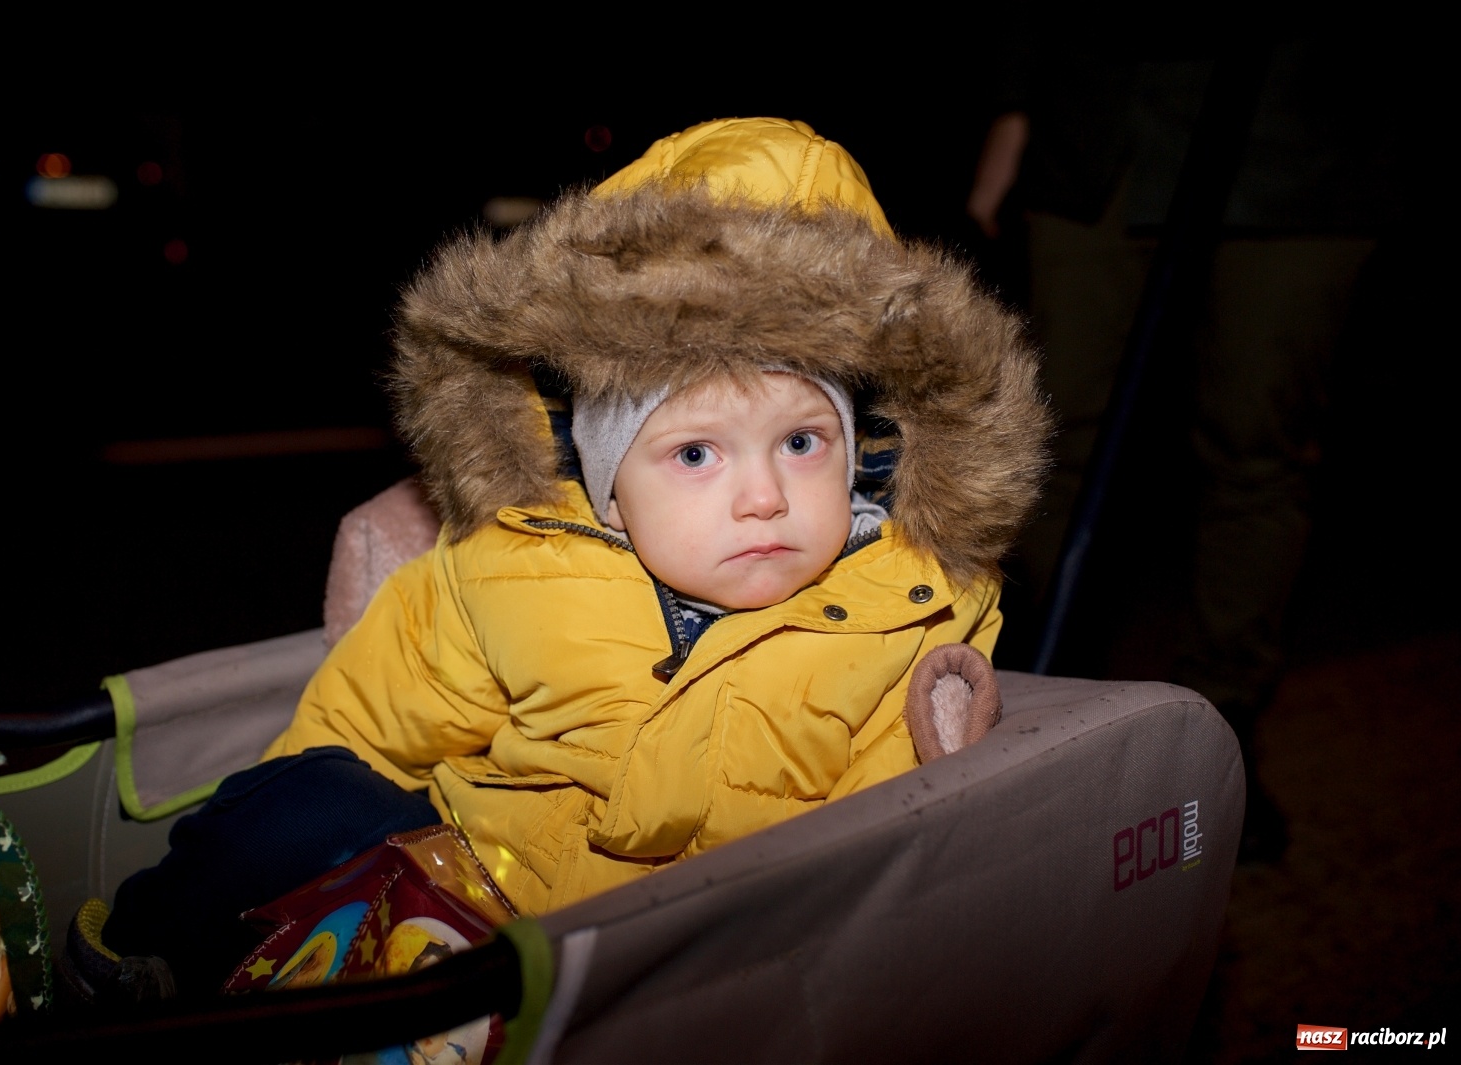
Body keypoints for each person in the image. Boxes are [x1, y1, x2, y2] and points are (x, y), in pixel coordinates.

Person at [97, 117, 1050, 995]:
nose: (763, 494)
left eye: (802, 442)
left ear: (860, 454)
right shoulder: (514, 565)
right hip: (466, 897)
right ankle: (126, 958)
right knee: (312, 794)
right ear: (609, 490)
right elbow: (369, 716)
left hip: (692, 965)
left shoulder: (902, 608)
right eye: (695, 454)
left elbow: (886, 851)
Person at [965, 36, 1406, 861]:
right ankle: (1064, 711)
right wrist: (1014, 104)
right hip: (1103, 125)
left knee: (1256, 447)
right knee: (1046, 436)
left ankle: (1220, 726)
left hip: (1302, 133)